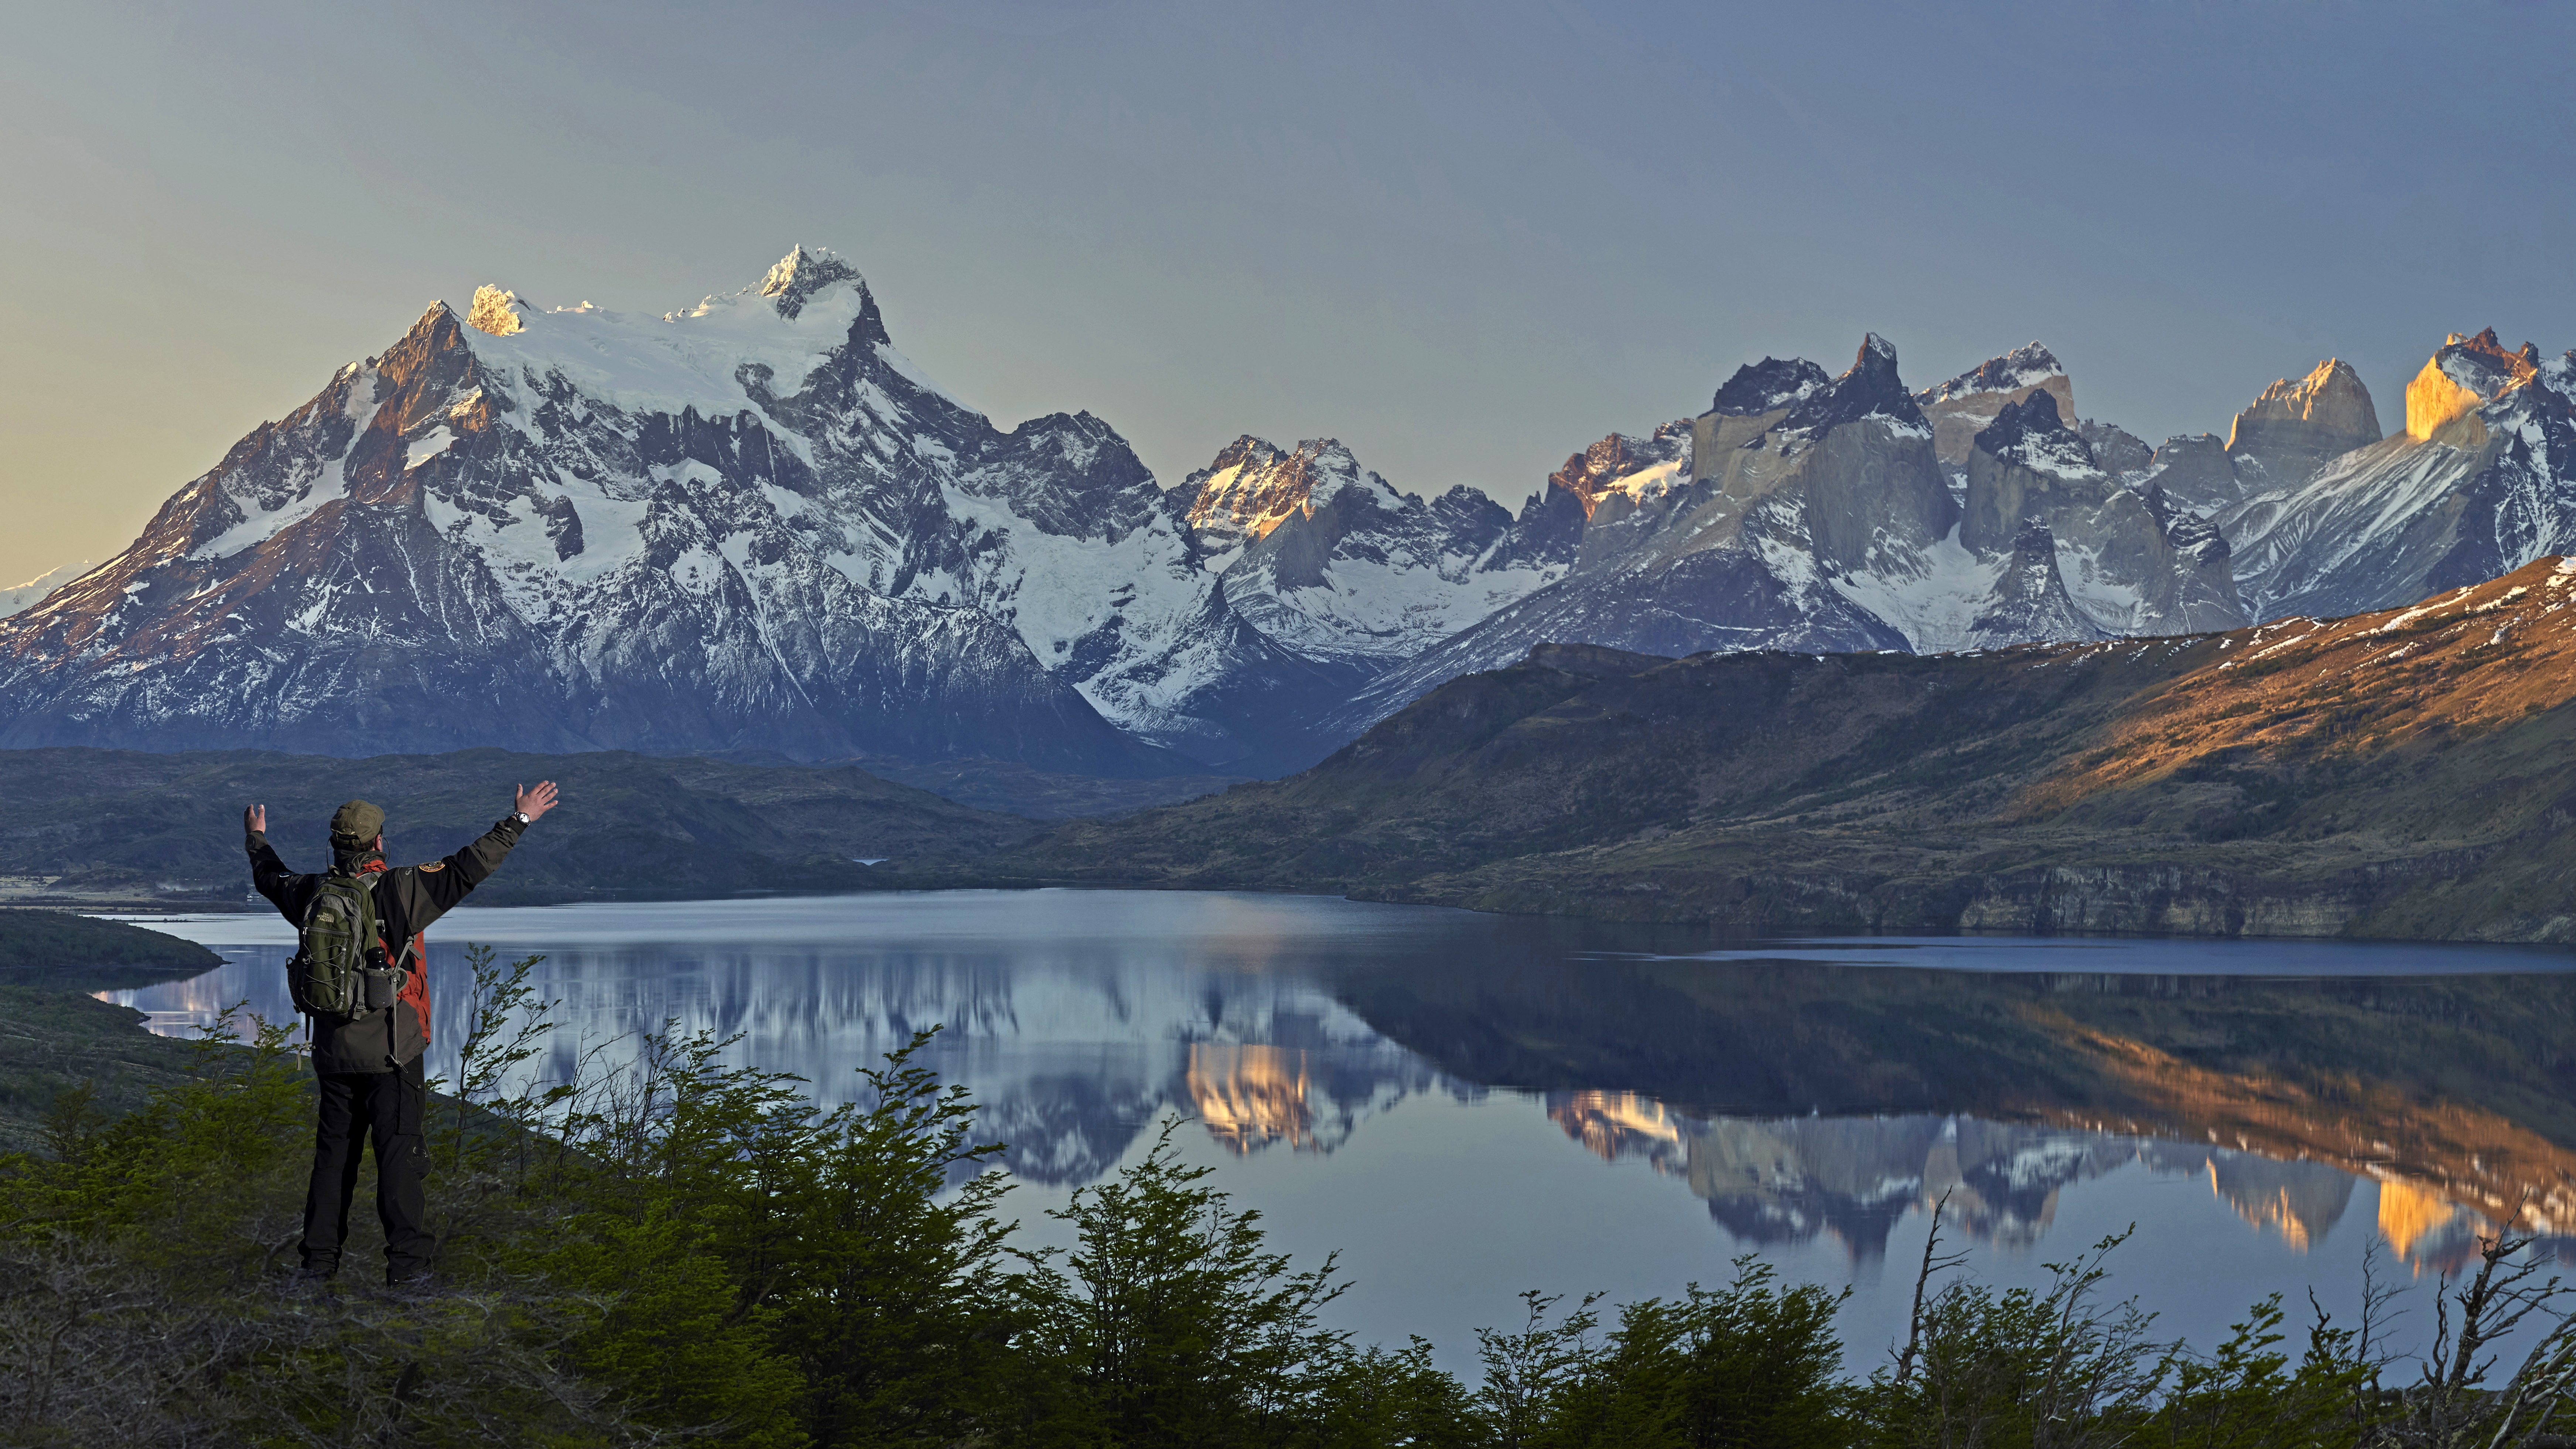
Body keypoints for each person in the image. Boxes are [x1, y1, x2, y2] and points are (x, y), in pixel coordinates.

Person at [242, 782, 558, 1286]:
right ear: (379, 844)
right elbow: (468, 867)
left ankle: (317, 1268)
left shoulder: (311, 893)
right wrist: (518, 821)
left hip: (333, 1052)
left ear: (336, 846)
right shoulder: (402, 889)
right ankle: (408, 1274)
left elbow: (269, 877)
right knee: (399, 1159)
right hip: (393, 1052)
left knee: (333, 1159)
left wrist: (257, 840)